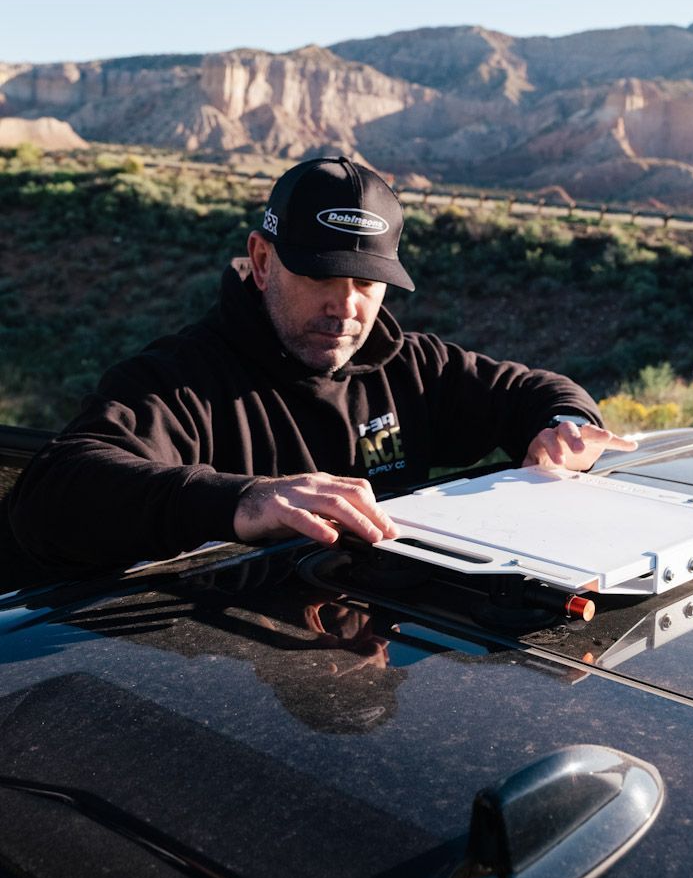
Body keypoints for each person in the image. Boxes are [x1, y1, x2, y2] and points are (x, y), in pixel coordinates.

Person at [1, 157, 635, 579]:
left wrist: (565, 425)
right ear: (263, 259)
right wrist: (242, 498)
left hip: (372, 636)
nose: (346, 305)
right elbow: (53, 496)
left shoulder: (409, 366)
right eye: (321, 275)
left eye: (368, 282)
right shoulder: (179, 382)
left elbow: (533, 391)